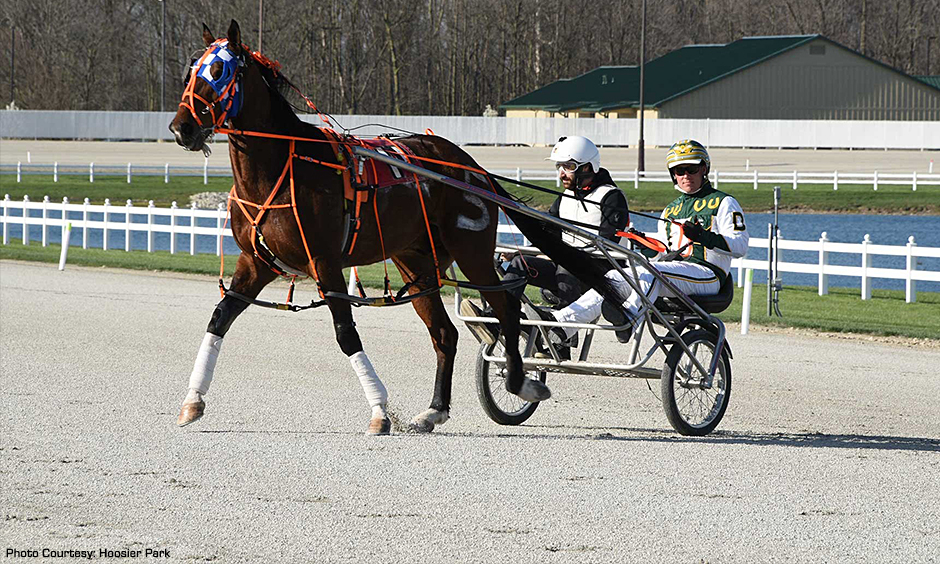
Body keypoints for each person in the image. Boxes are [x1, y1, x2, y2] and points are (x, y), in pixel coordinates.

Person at [541, 139, 749, 351]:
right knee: (613, 278)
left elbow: (740, 246)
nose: (685, 175)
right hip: (676, 274)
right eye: (679, 171)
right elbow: (663, 256)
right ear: (673, 174)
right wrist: (644, 244)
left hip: (708, 275)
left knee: (652, 273)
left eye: (691, 169)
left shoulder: (724, 202)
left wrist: (704, 237)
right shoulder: (671, 210)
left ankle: (629, 318)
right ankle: (561, 324)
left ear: (704, 169)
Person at [461, 135, 629, 346]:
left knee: (566, 267)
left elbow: (608, 242)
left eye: (568, 167)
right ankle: (499, 318)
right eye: (560, 167)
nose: (561, 173)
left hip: (604, 275)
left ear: (587, 167)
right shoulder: (564, 199)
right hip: (569, 270)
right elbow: (547, 237)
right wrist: (522, 252)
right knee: (521, 263)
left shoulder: (611, 196)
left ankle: (562, 338)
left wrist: (565, 256)